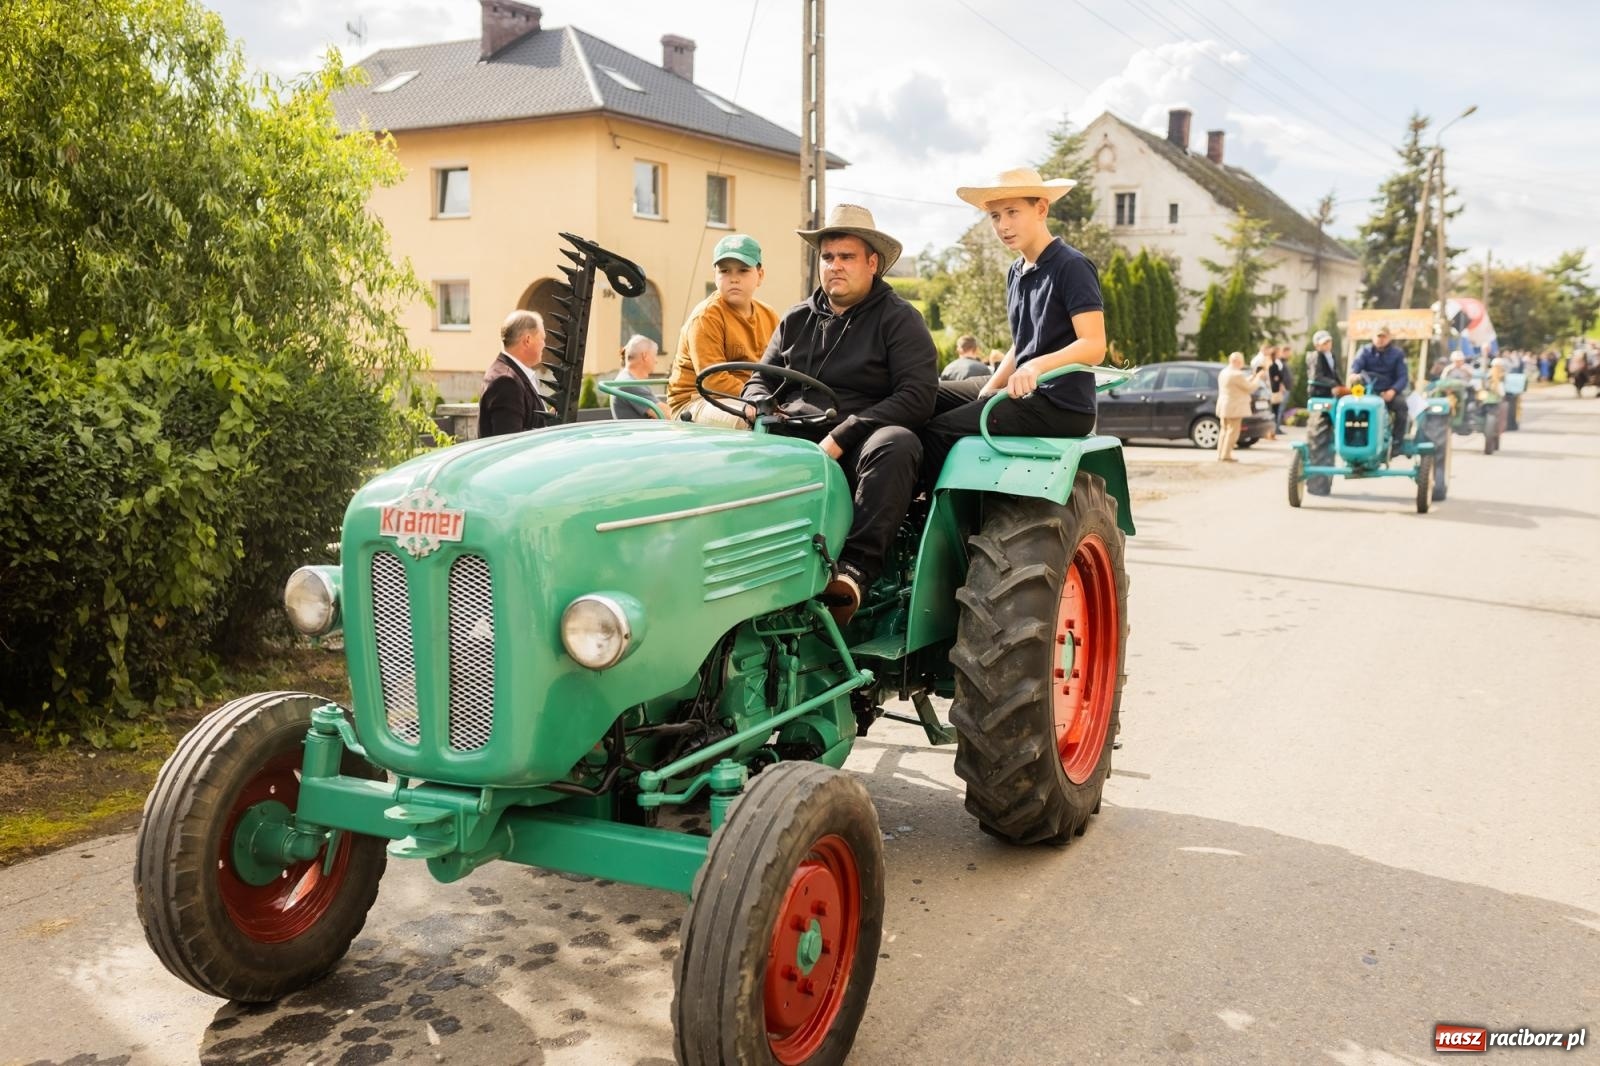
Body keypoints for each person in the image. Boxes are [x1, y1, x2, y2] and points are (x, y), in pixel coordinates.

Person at [741, 204, 937, 624]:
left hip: (858, 446)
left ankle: (852, 573)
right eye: (827, 257)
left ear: (872, 263)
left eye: (846, 257)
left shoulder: (900, 321)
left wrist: (844, 434)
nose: (834, 266)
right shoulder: (796, 319)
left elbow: (918, 395)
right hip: (793, 437)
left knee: (898, 443)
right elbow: (759, 380)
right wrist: (757, 406)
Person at [920, 167, 1107, 485]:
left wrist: (1035, 367)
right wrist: (990, 387)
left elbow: (1094, 345)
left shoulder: (1071, 266)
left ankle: (931, 514)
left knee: (939, 430)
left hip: (1060, 403)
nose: (1003, 225)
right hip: (1023, 392)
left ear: (1041, 209)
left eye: (1012, 212)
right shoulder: (1017, 271)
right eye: (994, 216)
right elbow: (1023, 343)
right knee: (921, 395)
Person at [665, 233, 779, 426]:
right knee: (753, 423)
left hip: (751, 398)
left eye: (743, 270)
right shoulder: (706, 316)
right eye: (725, 271)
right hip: (696, 400)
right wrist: (760, 397)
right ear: (715, 276)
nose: (733, 279)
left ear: (760, 276)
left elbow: (781, 367)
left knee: (800, 419)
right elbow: (712, 381)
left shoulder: (769, 315)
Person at [480, 309, 553, 437]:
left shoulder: (512, 373)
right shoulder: (505, 382)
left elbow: (525, 422)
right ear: (528, 340)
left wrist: (550, 418)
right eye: (542, 338)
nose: (544, 345)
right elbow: (510, 441)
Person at [1349, 324, 1411, 455]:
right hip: (1367, 393)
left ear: (1389, 338)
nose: (1381, 339)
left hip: (1387, 392)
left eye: (1384, 336)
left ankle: (1396, 443)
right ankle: (1353, 438)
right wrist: (1354, 375)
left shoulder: (1397, 354)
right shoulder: (1364, 351)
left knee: (1402, 406)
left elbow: (1403, 377)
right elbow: (1355, 368)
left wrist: (1392, 391)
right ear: (1373, 337)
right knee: (1349, 406)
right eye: (1378, 336)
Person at [1216, 351, 1267, 461]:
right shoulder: (1236, 374)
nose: (1242, 364)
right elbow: (1249, 388)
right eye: (1241, 361)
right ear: (1236, 361)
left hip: (1224, 405)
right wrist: (1258, 377)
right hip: (1234, 407)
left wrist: (1253, 376)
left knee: (1224, 430)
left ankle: (1221, 453)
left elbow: (1240, 384)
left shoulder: (1224, 372)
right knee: (1233, 432)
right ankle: (1226, 455)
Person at [610, 334, 661, 419]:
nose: (656, 361)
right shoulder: (629, 384)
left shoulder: (629, 380)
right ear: (645, 356)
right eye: (655, 355)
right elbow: (668, 414)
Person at [1306, 330, 1338, 399]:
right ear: (1317, 345)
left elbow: (1334, 374)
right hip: (1318, 391)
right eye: (1324, 343)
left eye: (1329, 341)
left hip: (1329, 391)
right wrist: (1333, 383)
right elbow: (1316, 376)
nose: (1328, 345)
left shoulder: (1331, 356)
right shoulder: (1316, 356)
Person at [1273, 343, 1295, 430]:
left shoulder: (1284, 362)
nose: (1290, 354)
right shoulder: (1279, 362)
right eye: (1288, 352)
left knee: (1281, 409)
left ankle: (1277, 427)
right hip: (1283, 389)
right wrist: (1281, 386)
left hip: (1286, 389)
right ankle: (1276, 428)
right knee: (1279, 409)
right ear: (1284, 352)